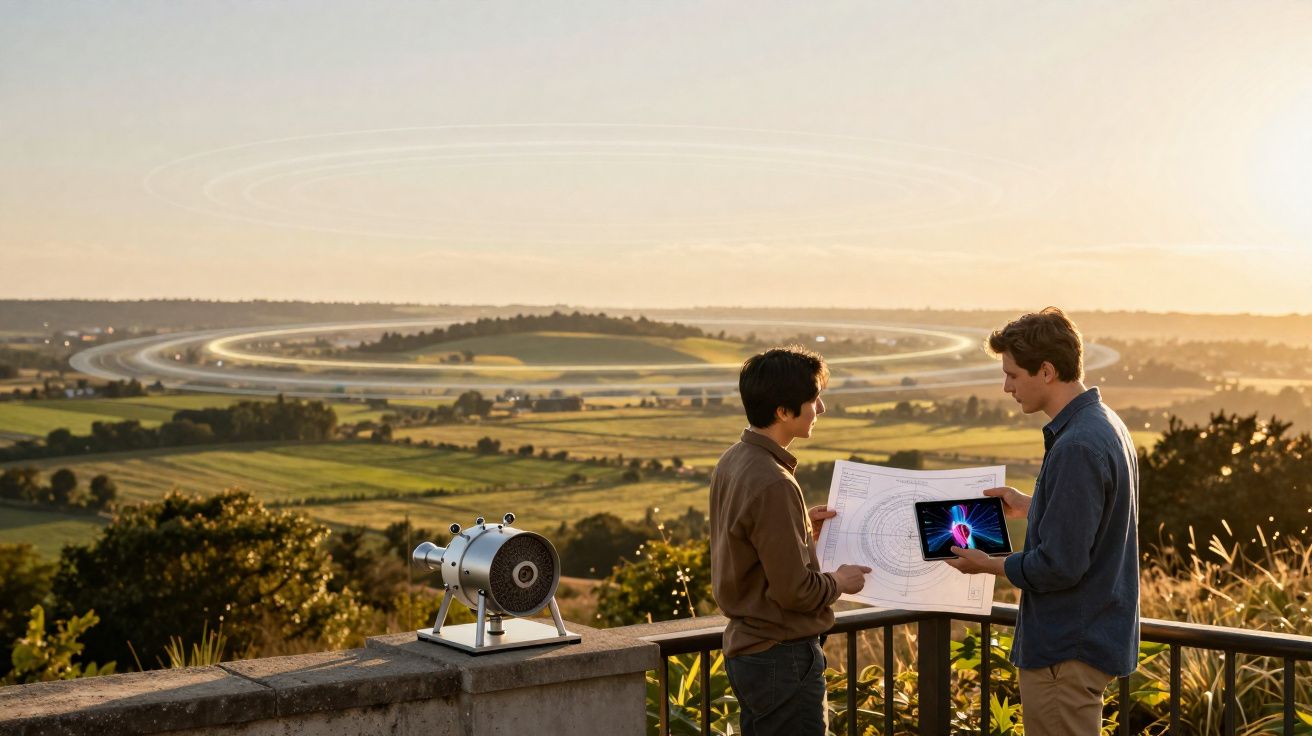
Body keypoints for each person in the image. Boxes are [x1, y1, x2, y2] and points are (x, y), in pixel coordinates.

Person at [945, 307, 1140, 736]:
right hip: (1086, 641)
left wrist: (988, 564)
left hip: (1064, 650)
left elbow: (1060, 565)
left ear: (1047, 371)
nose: (1006, 387)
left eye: (1013, 374)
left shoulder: (1076, 446)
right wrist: (1034, 505)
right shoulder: (1105, 424)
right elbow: (1097, 519)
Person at [710, 346, 871, 736]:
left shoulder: (735, 459)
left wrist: (799, 529)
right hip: (782, 657)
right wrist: (840, 581)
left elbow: (748, 547)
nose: (821, 408)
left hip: (750, 653)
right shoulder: (774, 482)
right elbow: (795, 592)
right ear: (783, 411)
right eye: (813, 399)